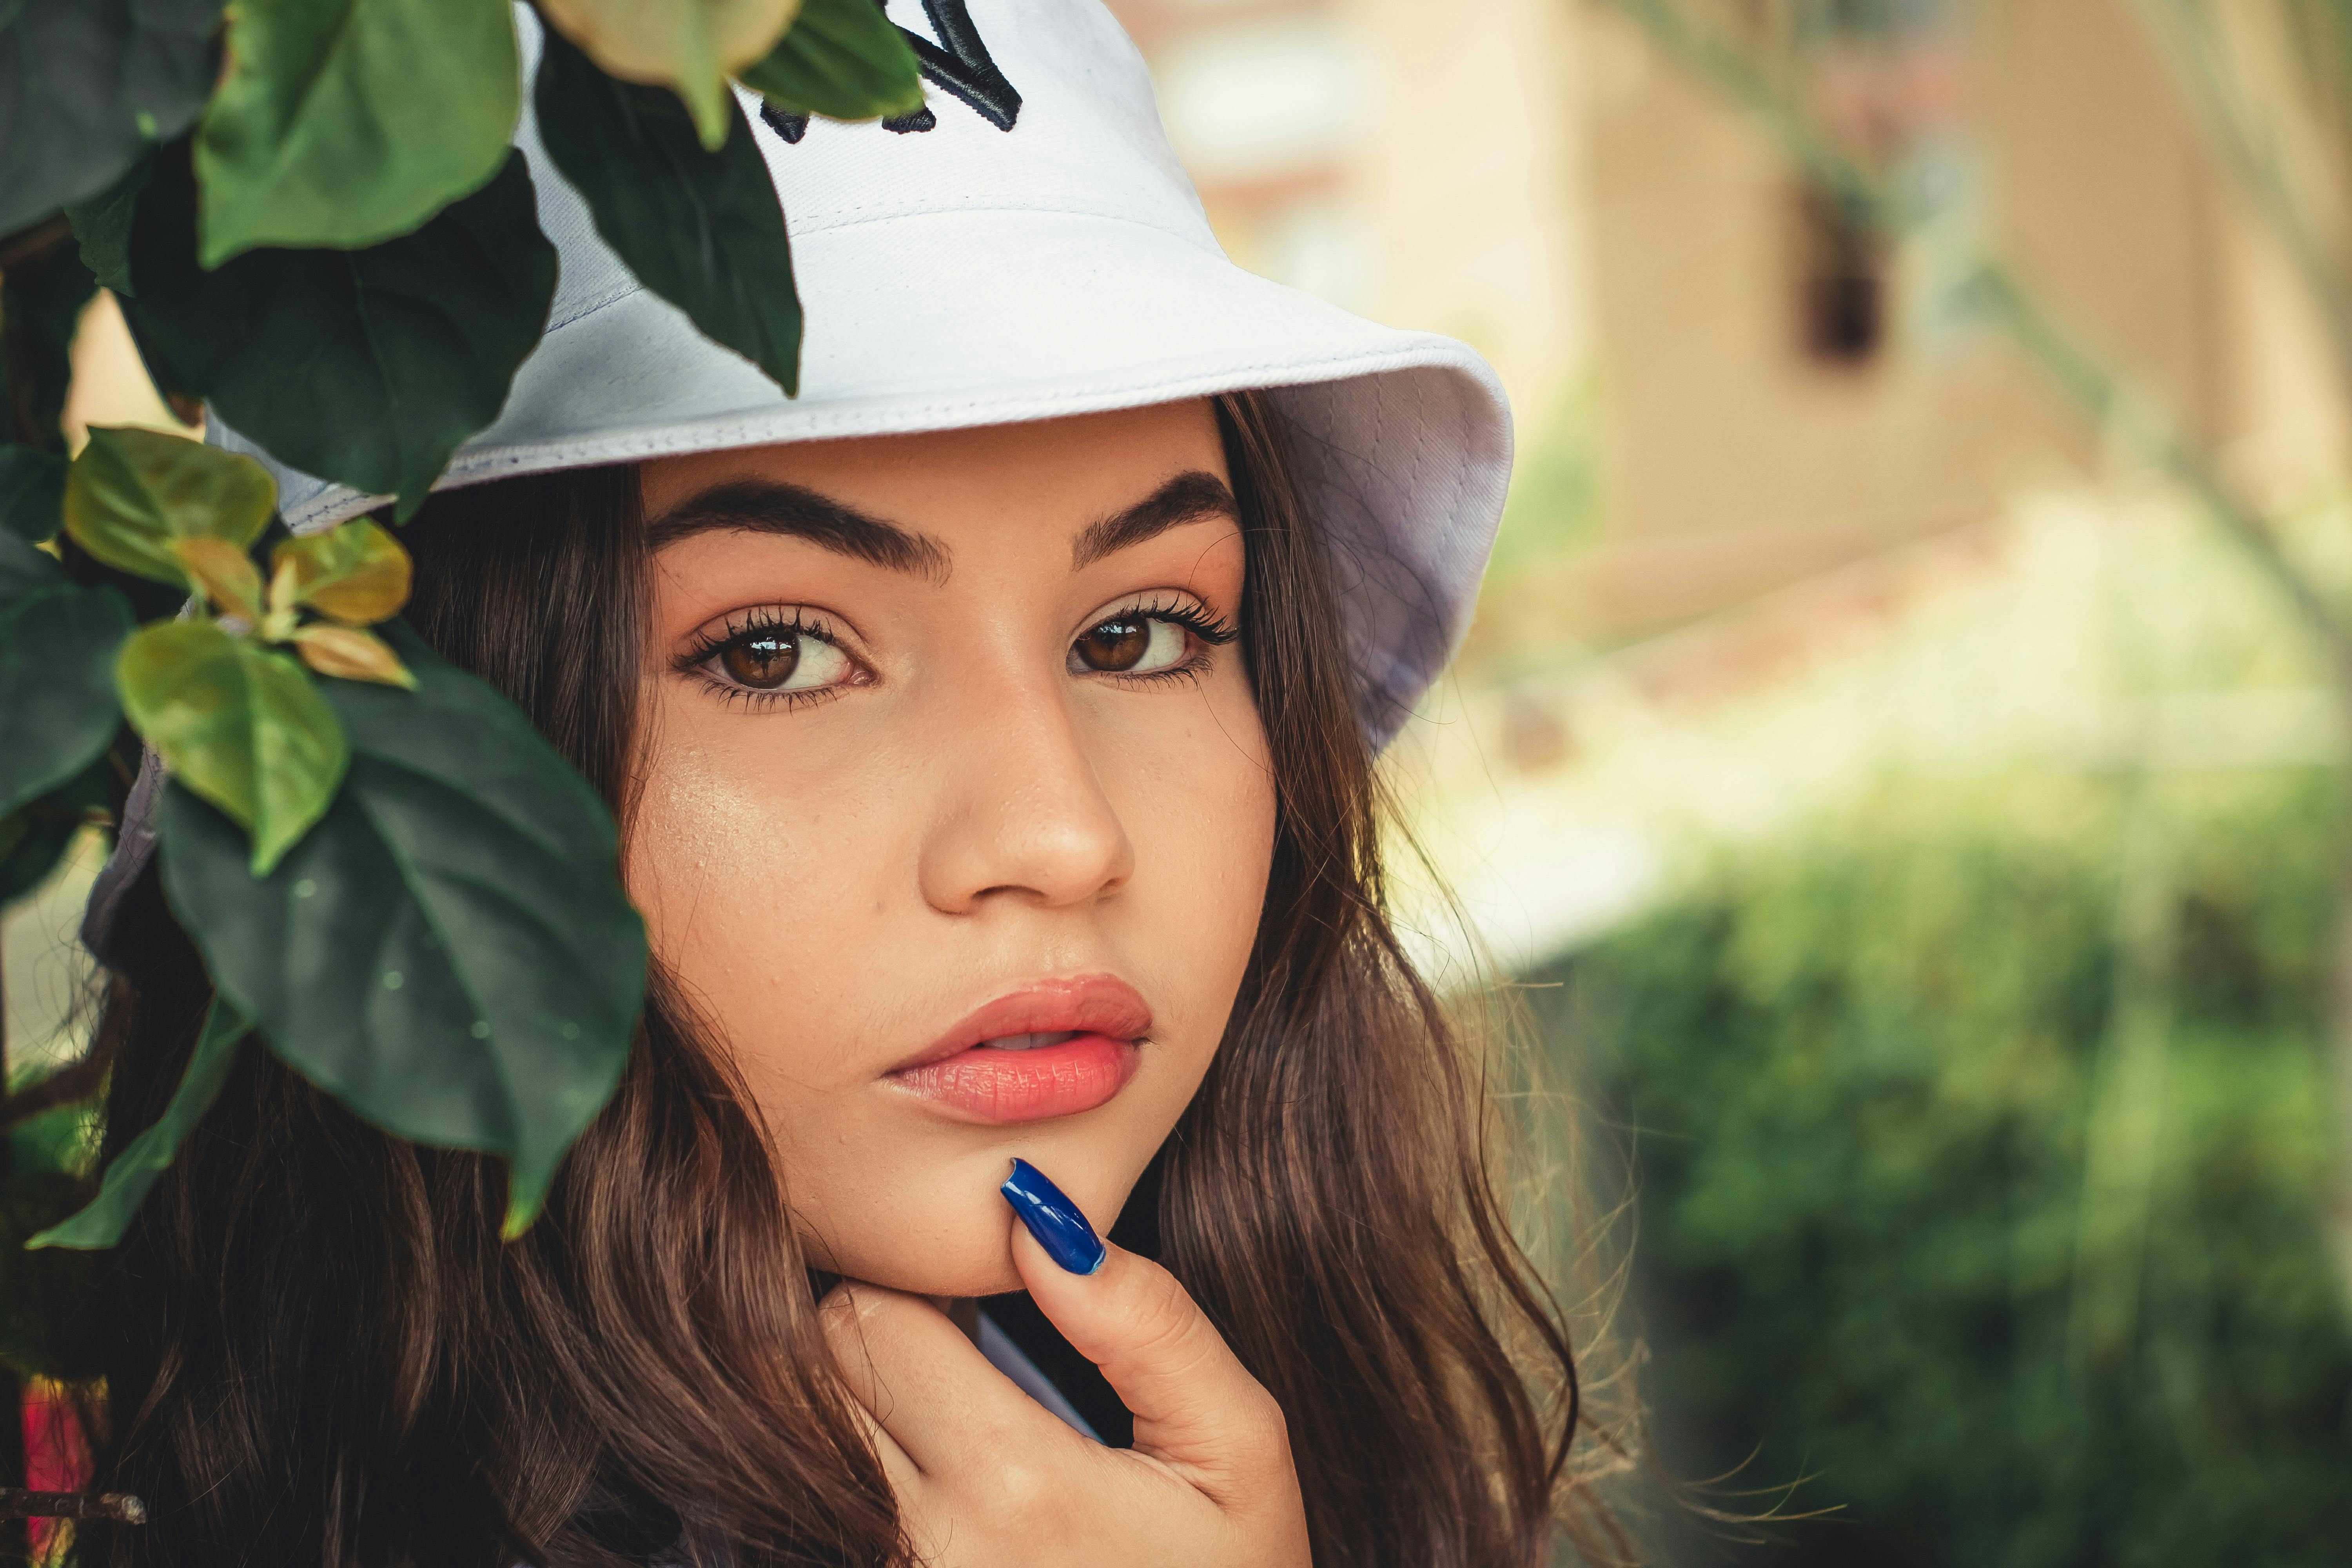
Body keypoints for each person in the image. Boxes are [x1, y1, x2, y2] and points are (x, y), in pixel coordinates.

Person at [73, 2, 1622, 1564]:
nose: (1063, 836)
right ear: (424, 776)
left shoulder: (1329, 1463)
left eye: (1144, 632)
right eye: (776, 656)